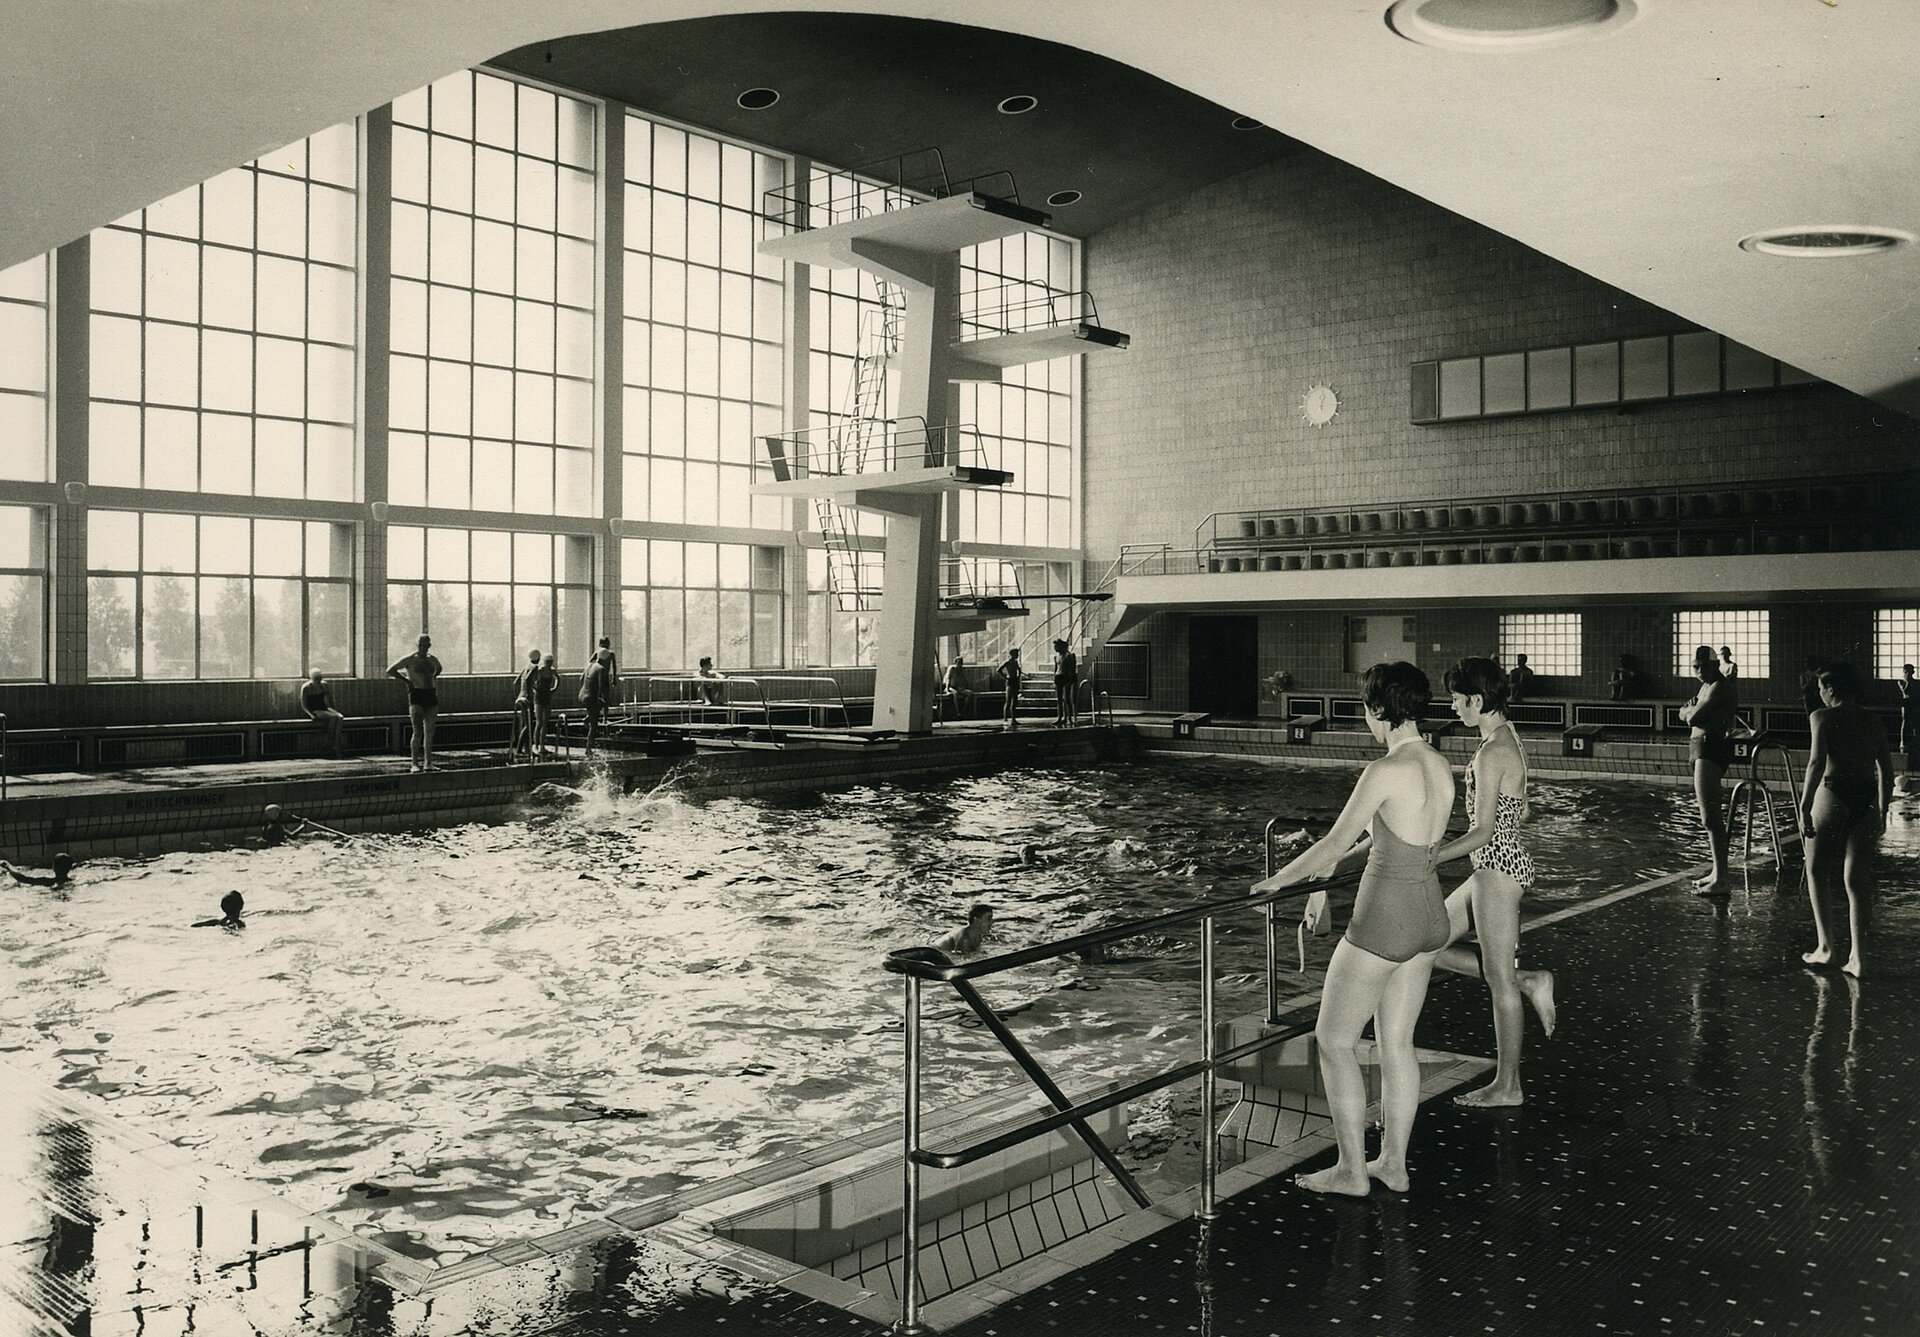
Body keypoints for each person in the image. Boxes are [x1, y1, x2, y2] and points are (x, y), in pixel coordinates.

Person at [1252, 661, 1454, 1196]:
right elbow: (1387, 843)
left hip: (1384, 918)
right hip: (1429, 914)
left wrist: (1278, 881)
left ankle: (1350, 1170)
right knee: (1397, 1045)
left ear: (1377, 710)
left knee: (1334, 1041)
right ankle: (1393, 1164)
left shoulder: (1383, 771)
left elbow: (1334, 842)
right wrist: (1325, 877)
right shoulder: (1437, 763)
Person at [1430, 658, 1557, 1108]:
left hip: (1496, 869)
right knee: (1426, 942)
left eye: (1456, 699)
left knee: (1497, 981)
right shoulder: (1507, 739)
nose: (1452, 706)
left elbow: (1483, 832)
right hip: (1498, 862)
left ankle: (1508, 1085)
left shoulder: (1490, 752)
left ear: (1476, 700)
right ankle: (1530, 980)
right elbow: (1518, 809)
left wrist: (1431, 858)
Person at [1800, 664, 1893, 977]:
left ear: (1832, 690)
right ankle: (1859, 958)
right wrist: (1881, 809)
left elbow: (1815, 764)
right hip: (1865, 799)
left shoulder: (1821, 717)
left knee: (1815, 869)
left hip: (1833, 793)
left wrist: (1803, 806)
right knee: (1857, 880)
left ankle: (1826, 948)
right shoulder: (1874, 721)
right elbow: (1887, 772)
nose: (1820, 695)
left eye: (1821, 690)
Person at [1678, 644, 1740, 894]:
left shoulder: (1718, 687)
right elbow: (1692, 712)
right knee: (1710, 817)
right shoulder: (1705, 687)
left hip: (1710, 748)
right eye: (1696, 667)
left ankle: (1722, 880)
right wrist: (1690, 710)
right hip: (1700, 748)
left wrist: (1687, 711)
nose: (1700, 671)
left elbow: (1692, 717)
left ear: (1715, 665)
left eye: (1705, 666)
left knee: (1710, 817)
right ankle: (1717, 871)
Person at [387, 633, 443, 772]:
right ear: (416, 644)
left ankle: (428, 763)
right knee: (417, 731)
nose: (423, 647)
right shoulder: (410, 659)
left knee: (429, 731)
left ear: (429, 645)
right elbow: (390, 670)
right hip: (417, 695)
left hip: (430, 695)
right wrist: (406, 681)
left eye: (425, 644)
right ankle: (414, 763)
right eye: (420, 644)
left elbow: (439, 669)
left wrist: (433, 677)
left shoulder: (433, 660)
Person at [299, 669, 346, 755]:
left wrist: (334, 710)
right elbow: (304, 705)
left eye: (320, 678)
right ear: (312, 678)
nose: (319, 680)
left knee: (340, 717)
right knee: (333, 717)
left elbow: (330, 699)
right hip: (315, 710)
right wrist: (311, 715)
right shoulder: (306, 687)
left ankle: (335, 744)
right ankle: (331, 743)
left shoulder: (324, 685)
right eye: (316, 678)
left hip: (324, 708)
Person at [510, 648, 542, 760]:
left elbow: (515, 682)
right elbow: (529, 679)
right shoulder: (534, 667)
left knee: (525, 723)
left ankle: (527, 749)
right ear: (538, 658)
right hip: (527, 698)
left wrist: (518, 696)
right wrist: (533, 690)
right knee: (528, 725)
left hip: (520, 697)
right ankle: (519, 750)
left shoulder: (526, 666)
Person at [578, 652, 611, 757]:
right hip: (590, 697)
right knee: (594, 724)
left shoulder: (589, 665)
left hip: (582, 695)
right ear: (605, 660)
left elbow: (581, 679)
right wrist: (598, 698)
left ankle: (587, 718)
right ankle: (588, 749)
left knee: (601, 705)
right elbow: (601, 688)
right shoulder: (601, 669)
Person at [531, 652, 561, 757]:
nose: (549, 664)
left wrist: (554, 689)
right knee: (539, 722)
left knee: (545, 722)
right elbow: (531, 681)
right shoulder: (540, 671)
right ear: (544, 662)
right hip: (539, 697)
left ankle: (542, 745)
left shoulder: (552, 670)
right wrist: (535, 689)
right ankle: (536, 745)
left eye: (550, 662)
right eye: (547, 662)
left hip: (547, 696)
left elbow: (558, 679)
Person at [3, 853, 74, 888]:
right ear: (70, 867)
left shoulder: (48, 882)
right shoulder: (73, 881)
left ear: (53, 867)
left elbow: (22, 879)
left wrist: (8, 866)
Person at [1052, 639, 1080, 726]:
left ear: (1062, 646)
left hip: (1065, 676)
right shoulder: (1056, 656)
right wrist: (1054, 678)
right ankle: (1060, 717)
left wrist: (1070, 680)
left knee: (1066, 698)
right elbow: (1056, 668)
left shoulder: (1068, 656)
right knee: (1059, 699)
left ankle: (1068, 717)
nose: (1055, 648)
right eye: (1055, 646)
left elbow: (1072, 669)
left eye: (1057, 646)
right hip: (1058, 676)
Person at [1896, 664, 1918, 769]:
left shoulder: (1917, 683)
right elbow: (1906, 691)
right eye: (1906, 672)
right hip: (1907, 703)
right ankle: (1903, 742)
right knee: (1905, 721)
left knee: (1916, 722)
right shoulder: (1901, 682)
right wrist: (1908, 681)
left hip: (1915, 704)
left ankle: (1917, 740)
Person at [997, 648, 1025, 729]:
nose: (1018, 655)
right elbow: (999, 669)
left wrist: (1019, 674)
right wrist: (1005, 677)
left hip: (1015, 681)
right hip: (1009, 682)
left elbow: (1018, 671)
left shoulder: (1015, 662)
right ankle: (1005, 719)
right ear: (1012, 654)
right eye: (1016, 654)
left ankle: (1013, 719)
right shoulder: (1007, 662)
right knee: (1008, 700)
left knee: (1014, 701)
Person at [942, 655, 974, 720]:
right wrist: (947, 690)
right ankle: (958, 713)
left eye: (961, 663)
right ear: (955, 662)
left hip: (958, 687)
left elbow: (963, 680)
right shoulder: (951, 668)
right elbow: (948, 679)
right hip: (950, 687)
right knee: (955, 694)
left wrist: (963, 687)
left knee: (970, 693)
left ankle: (964, 711)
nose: (960, 665)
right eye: (959, 663)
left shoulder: (961, 670)